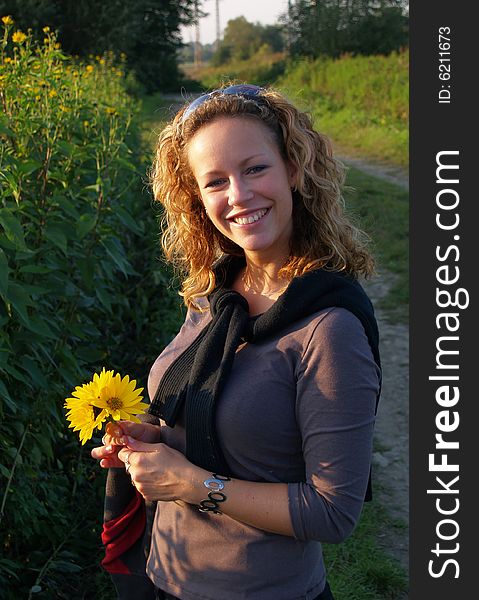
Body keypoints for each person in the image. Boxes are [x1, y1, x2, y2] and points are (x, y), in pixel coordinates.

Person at [92, 83, 381, 600]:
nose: (239, 196)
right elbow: (219, 424)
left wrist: (191, 483)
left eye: (255, 169)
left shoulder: (328, 328)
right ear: (197, 200)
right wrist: (158, 439)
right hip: (167, 578)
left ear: (293, 168)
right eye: (215, 182)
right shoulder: (215, 295)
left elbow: (334, 511)